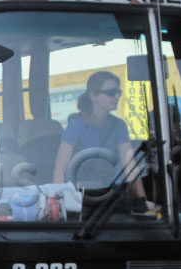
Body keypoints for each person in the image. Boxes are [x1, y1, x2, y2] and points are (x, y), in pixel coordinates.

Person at [52, 70, 150, 210]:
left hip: (109, 194)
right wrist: (58, 202)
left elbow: (130, 164)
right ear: (93, 95)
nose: (116, 96)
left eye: (118, 92)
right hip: (80, 195)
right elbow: (61, 167)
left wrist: (142, 200)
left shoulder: (119, 125)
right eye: (111, 93)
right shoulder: (76, 124)